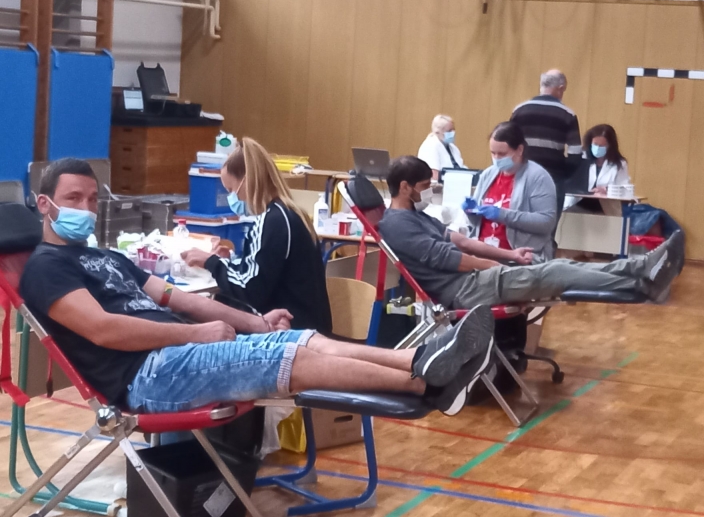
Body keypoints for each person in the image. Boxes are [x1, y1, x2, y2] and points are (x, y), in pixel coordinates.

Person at [18, 158, 497, 417]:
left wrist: (255, 321)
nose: (85, 207)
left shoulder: (108, 257)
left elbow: (176, 298)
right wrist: (194, 334)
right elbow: (103, 329)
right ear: (44, 204)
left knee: (303, 338)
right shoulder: (45, 268)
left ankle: (419, 359)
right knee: (290, 359)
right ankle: (428, 382)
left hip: (177, 355)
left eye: (91, 199)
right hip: (145, 377)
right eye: (73, 199)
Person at [378, 156, 683, 309]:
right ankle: (642, 280)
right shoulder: (398, 224)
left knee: (561, 265)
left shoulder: (416, 216)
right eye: (424, 187)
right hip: (463, 290)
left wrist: (509, 255)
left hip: (473, 280)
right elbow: (452, 259)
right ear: (404, 187)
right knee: (558, 273)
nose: (429, 191)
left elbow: (461, 241)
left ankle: (641, 271)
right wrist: (494, 266)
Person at [181, 138, 332, 334]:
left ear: (247, 181)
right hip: (311, 327)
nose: (233, 197)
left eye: (231, 190)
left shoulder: (271, 220)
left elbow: (250, 289)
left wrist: (211, 262)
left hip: (293, 331)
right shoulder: (291, 214)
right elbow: (264, 271)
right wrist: (229, 263)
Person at [464, 122, 557, 262]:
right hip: (483, 255)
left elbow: (546, 222)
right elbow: (475, 224)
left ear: (519, 150)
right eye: (493, 153)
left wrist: (503, 215)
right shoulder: (488, 174)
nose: (496, 158)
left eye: (502, 154)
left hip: (519, 259)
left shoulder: (538, 177)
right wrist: (471, 212)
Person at [510, 69, 582, 226]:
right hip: (553, 178)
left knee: (517, 222)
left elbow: (508, 143)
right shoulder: (567, 114)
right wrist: (564, 174)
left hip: (522, 175)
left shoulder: (519, 110)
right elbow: (575, 153)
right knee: (548, 226)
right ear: (560, 88)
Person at [564, 124, 631, 216]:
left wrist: (607, 190)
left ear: (610, 146)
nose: (598, 148)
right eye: (595, 144)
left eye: (602, 146)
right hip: (579, 205)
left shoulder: (619, 164)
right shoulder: (582, 159)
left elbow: (626, 189)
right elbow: (572, 185)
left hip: (606, 209)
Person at [417, 114, 465, 182]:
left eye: (453, 130)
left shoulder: (453, 148)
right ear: (437, 132)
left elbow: (460, 168)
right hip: (439, 186)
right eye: (449, 131)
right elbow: (433, 174)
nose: (453, 133)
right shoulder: (430, 145)